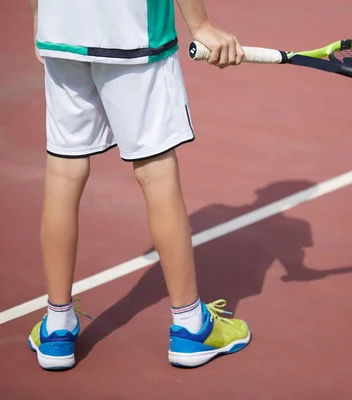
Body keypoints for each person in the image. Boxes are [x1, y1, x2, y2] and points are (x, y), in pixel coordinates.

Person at [26, 0, 251, 371]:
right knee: (156, 171)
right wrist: (202, 26)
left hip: (61, 24)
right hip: (133, 28)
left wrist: (39, 15)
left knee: (64, 170)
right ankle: (191, 326)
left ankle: (57, 326)